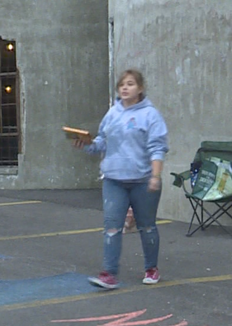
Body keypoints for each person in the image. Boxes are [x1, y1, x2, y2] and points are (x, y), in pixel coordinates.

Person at [72, 68, 169, 289]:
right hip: (113, 179)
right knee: (112, 227)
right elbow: (101, 142)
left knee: (147, 227)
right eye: (122, 85)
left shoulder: (150, 115)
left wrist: (155, 176)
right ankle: (109, 274)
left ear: (140, 88)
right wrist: (86, 144)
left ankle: (151, 268)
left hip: (143, 179)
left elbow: (157, 147)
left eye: (130, 84)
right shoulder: (112, 114)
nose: (125, 88)